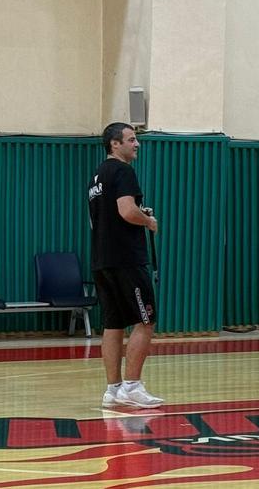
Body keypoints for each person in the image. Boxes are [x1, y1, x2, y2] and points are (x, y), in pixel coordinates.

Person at [89, 122, 164, 409]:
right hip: (126, 260)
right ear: (114, 144)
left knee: (113, 323)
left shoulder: (96, 176)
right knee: (145, 320)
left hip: (102, 260)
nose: (137, 144)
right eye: (131, 140)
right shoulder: (122, 171)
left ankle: (113, 389)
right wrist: (148, 221)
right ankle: (133, 386)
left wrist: (136, 213)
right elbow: (126, 211)